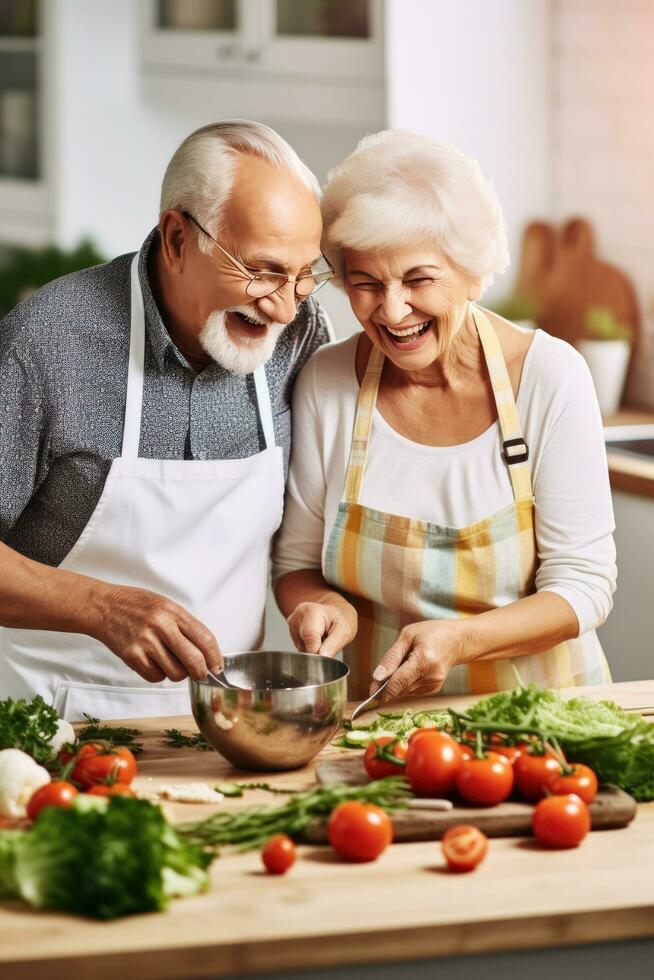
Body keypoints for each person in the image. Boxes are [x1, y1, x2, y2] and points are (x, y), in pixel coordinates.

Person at [0, 120, 334, 720]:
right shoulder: (46, 342)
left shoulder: (299, 335)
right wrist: (99, 607)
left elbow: (300, 532)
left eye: (305, 273)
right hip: (47, 727)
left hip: (226, 725)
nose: (284, 305)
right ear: (178, 238)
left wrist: (313, 598)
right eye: (261, 270)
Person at [273, 130, 616, 702]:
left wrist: (461, 641)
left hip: (542, 726)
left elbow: (584, 585)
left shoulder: (549, 377)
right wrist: (323, 605)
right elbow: (296, 564)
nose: (392, 309)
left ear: (471, 270)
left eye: (419, 279)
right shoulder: (327, 382)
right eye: (365, 283)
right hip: (376, 732)